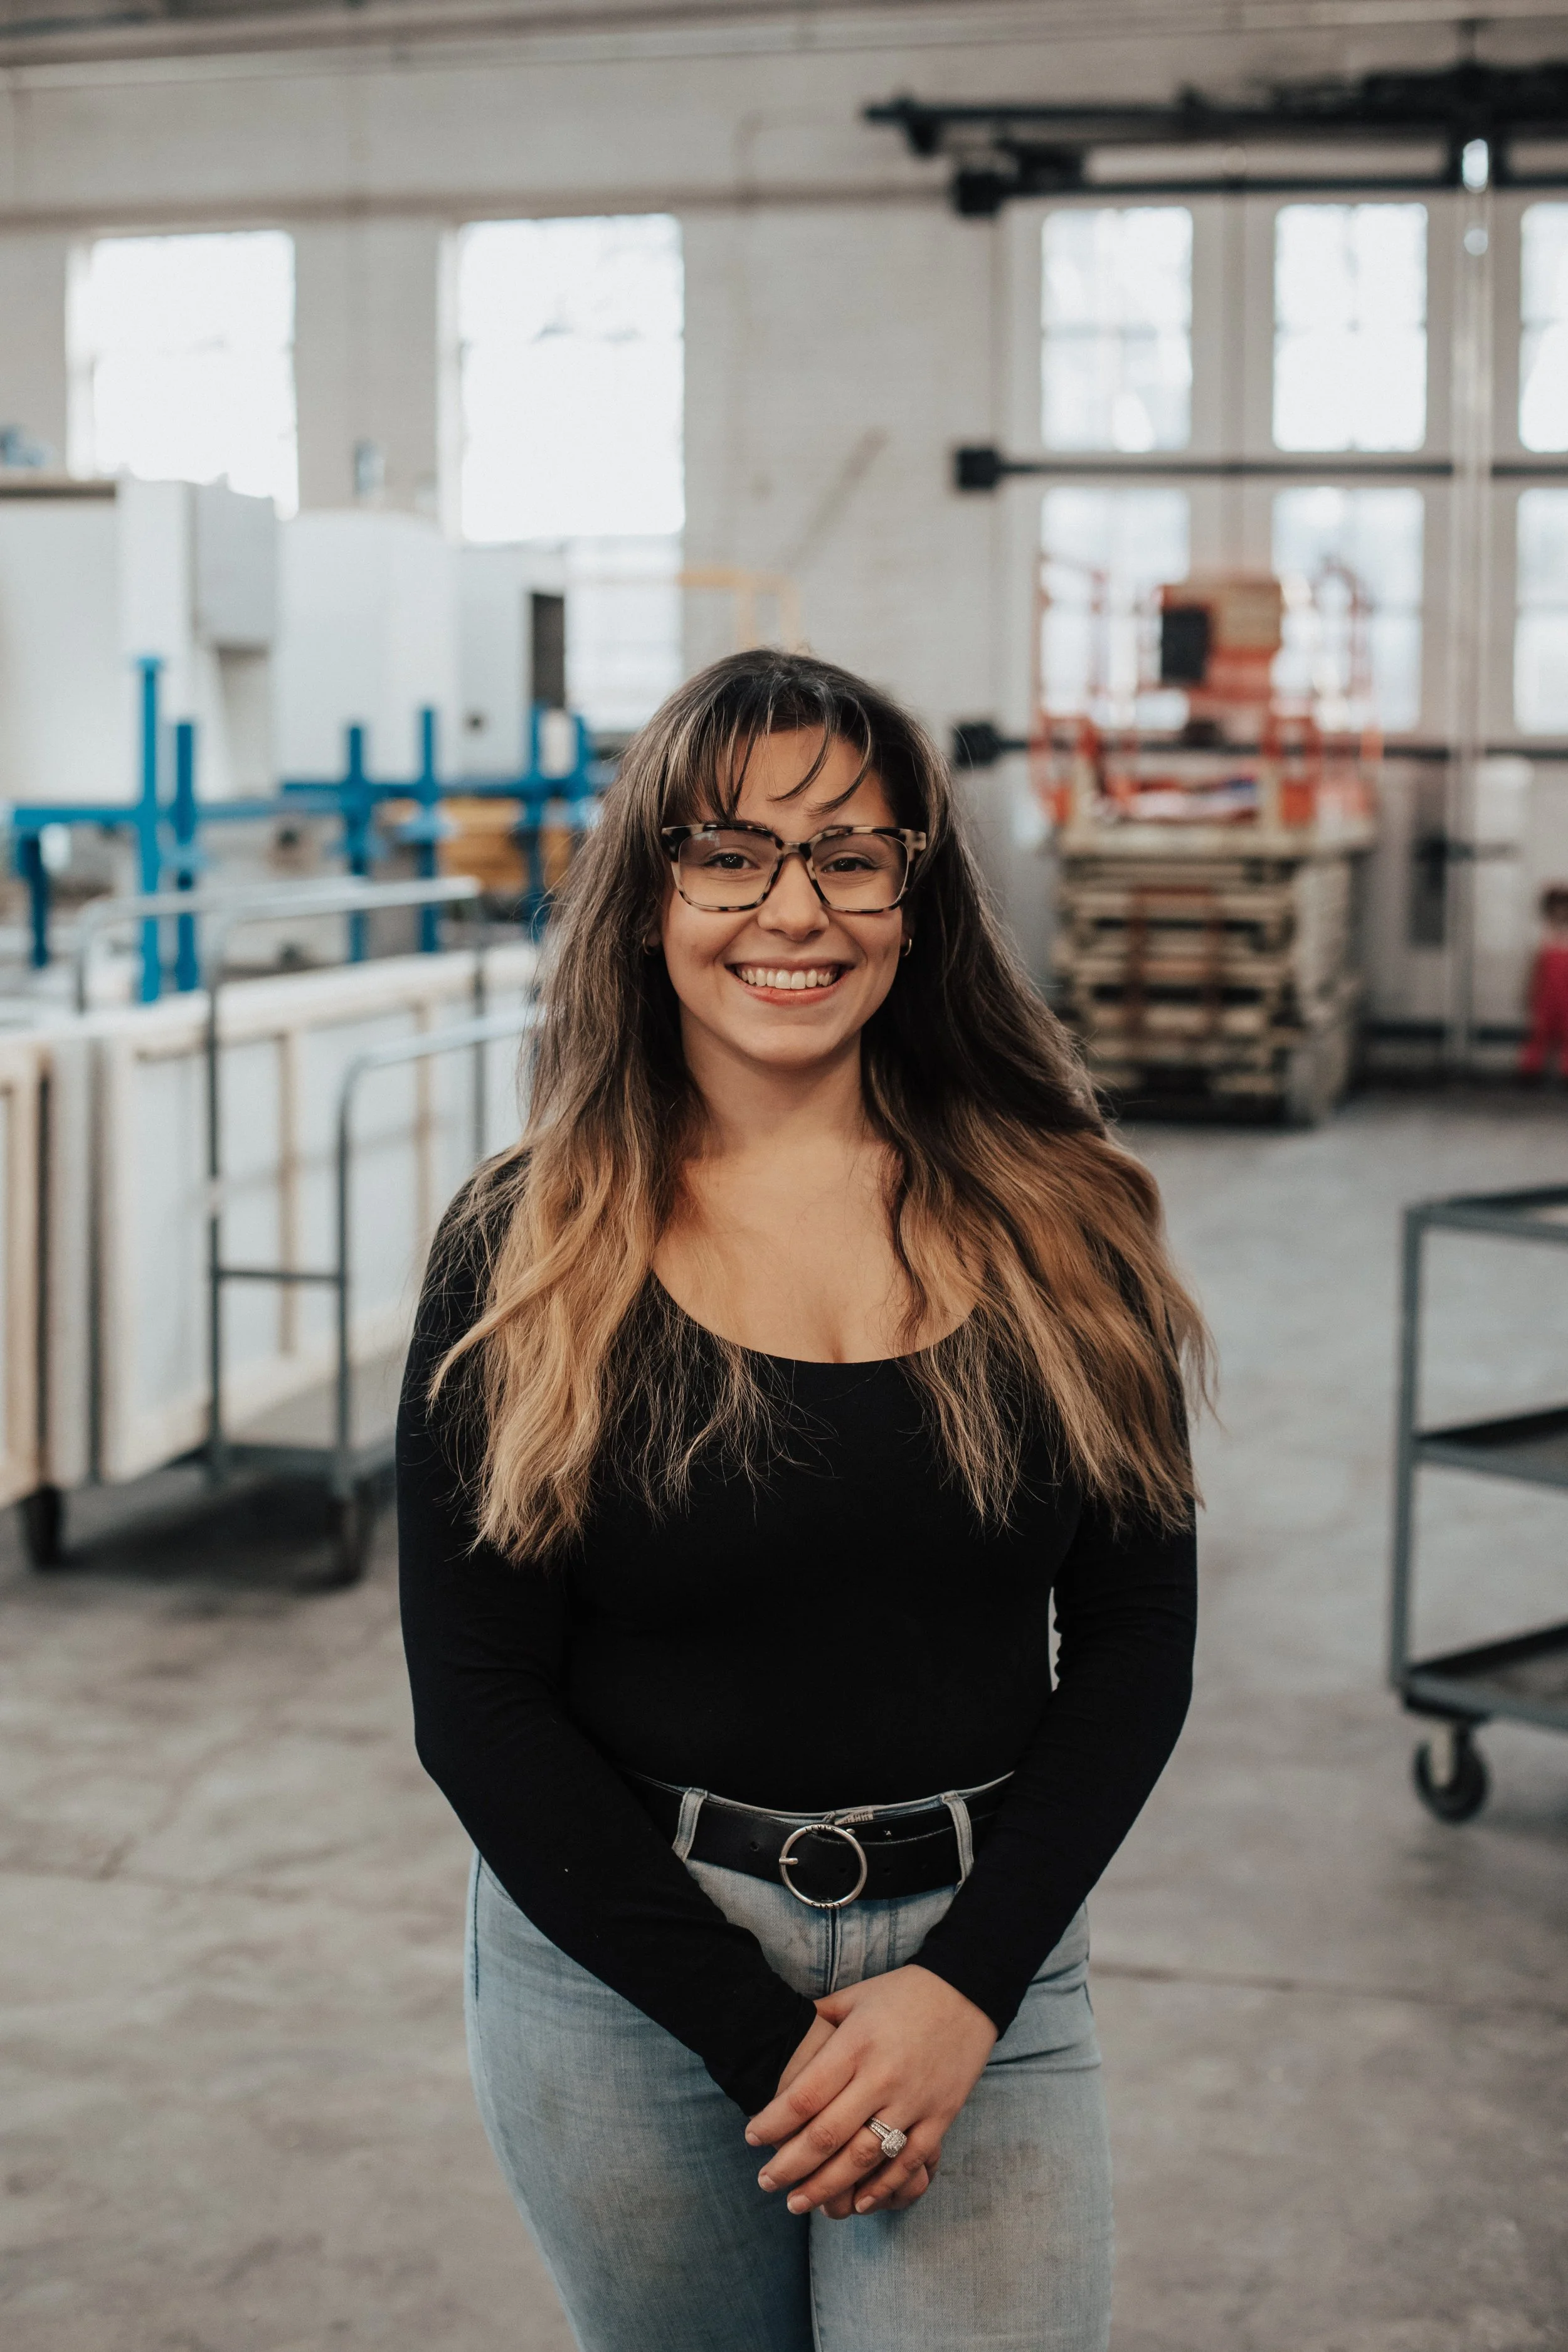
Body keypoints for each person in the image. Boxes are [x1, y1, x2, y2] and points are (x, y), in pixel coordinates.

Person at [397, 649, 1207, 2352]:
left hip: (980, 1954)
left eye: (849, 851)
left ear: (915, 890)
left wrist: (963, 1984)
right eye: (727, 850)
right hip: (623, 1968)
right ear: (647, 896)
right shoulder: (524, 1243)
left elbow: (1135, 1633)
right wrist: (769, 2049)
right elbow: (475, 1695)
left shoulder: (1064, 1219)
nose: (794, 907)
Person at [1520, 883, 1568, 1080]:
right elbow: (1533, 969)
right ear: (1548, 910)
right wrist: (1527, 991)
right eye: (1556, 907)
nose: (1560, 912)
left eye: (1564, 907)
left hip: (1566, 996)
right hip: (1545, 997)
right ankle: (1530, 1072)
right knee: (1539, 1034)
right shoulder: (1539, 935)